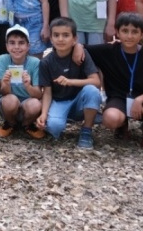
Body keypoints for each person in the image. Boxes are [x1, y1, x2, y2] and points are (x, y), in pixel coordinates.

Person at [77, 13, 143, 149]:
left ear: (141, 34)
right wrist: (79, 47)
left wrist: (139, 100)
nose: (129, 36)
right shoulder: (108, 51)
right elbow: (83, 47)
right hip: (118, 98)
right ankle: (122, 124)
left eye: (134, 32)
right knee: (110, 119)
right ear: (117, 32)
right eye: (125, 31)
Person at [36, 17, 102, 150]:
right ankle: (71, 116)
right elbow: (47, 93)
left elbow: (96, 82)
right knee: (54, 129)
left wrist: (70, 82)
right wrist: (43, 114)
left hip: (79, 100)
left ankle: (86, 131)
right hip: (59, 101)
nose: (60, 39)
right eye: (56, 35)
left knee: (92, 91)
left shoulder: (82, 55)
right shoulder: (45, 62)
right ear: (51, 38)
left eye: (66, 35)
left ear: (74, 39)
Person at [0, 25, 44, 140]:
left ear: (28, 46)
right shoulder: (3, 59)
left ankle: (27, 125)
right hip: (8, 103)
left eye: (21, 43)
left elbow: (38, 95)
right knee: (11, 100)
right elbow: (3, 92)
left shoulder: (35, 62)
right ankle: (10, 123)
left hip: (28, 101)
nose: (16, 47)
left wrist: (28, 86)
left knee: (36, 104)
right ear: (6, 46)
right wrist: (5, 83)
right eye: (12, 43)